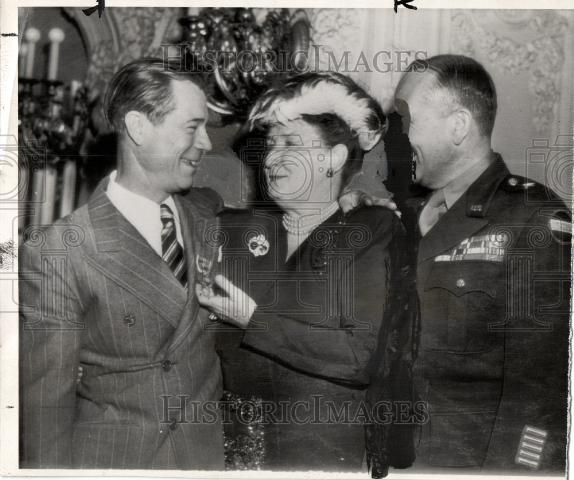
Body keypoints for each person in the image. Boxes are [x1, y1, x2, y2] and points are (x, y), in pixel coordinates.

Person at [352, 54, 570, 472]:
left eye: (404, 122)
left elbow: (543, 390)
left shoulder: (534, 219)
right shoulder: (403, 212)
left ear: (458, 126)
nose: (392, 139)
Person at [196, 72, 418, 475]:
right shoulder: (235, 228)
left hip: (316, 456)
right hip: (225, 457)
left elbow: (358, 355)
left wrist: (252, 319)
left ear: (332, 157)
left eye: (290, 144)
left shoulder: (369, 231)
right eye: (270, 145)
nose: (271, 158)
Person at [19, 58, 225, 469]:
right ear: (138, 127)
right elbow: (46, 411)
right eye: (192, 126)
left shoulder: (207, 216)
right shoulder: (59, 250)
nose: (207, 142)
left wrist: (353, 200)